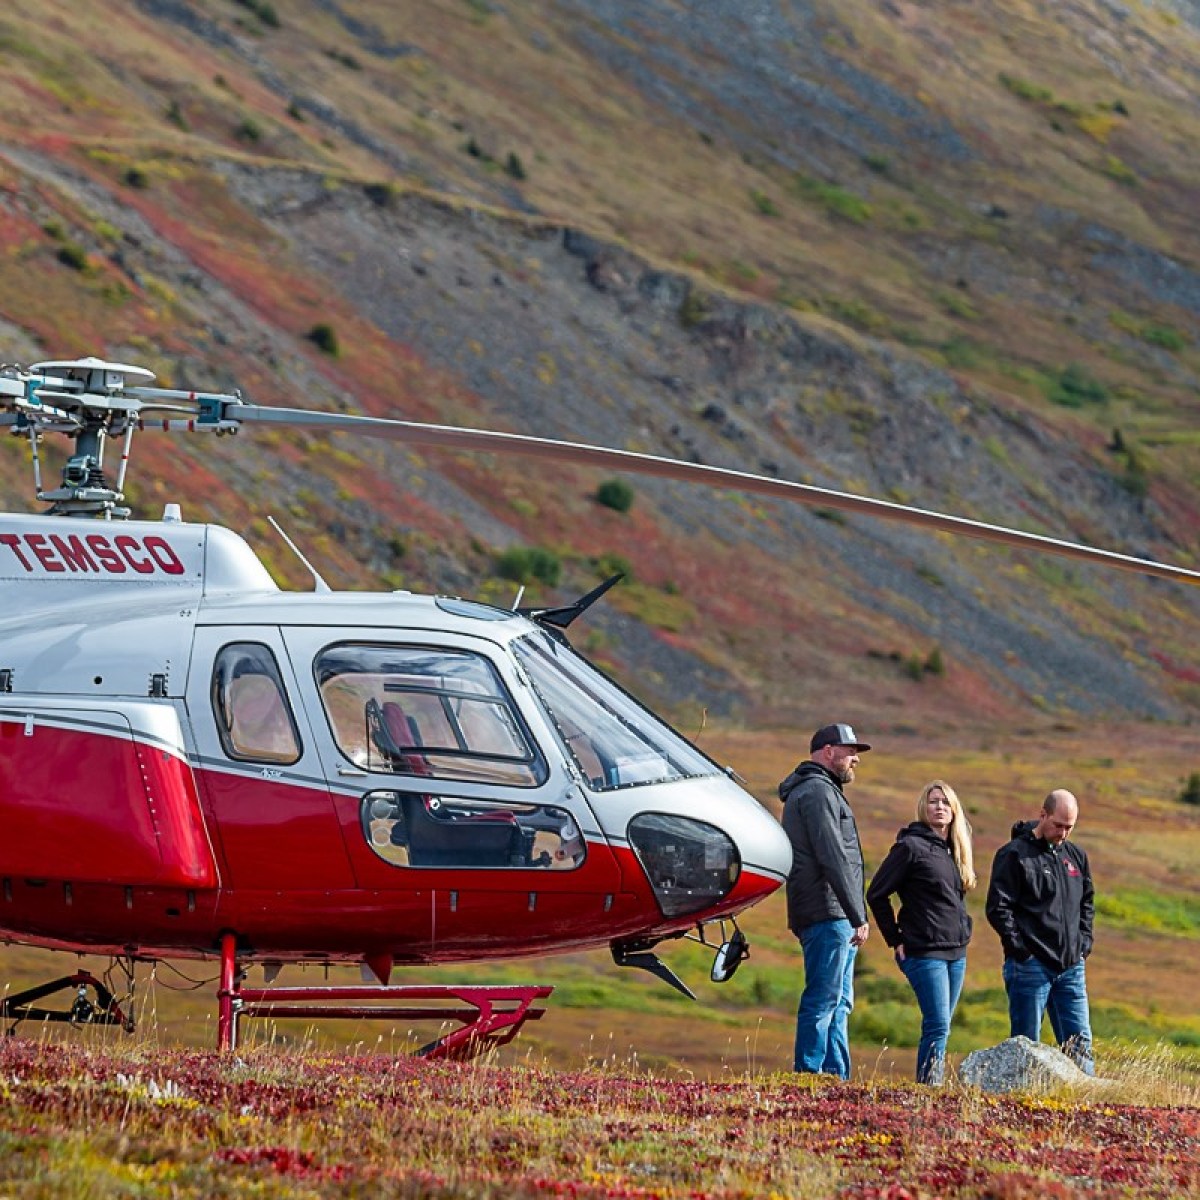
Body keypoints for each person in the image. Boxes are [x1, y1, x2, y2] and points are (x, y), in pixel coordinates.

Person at [866, 780, 976, 1084]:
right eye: (933, 801)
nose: (939, 807)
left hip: (955, 951)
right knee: (937, 1024)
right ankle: (929, 1090)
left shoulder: (954, 850)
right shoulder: (910, 847)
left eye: (945, 802)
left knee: (944, 1026)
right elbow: (876, 893)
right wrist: (895, 939)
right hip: (923, 951)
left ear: (954, 811)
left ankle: (931, 1088)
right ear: (923, 808)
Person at [779, 722, 871, 1079]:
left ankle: (835, 1079)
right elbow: (832, 855)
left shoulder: (822, 790)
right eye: (850, 751)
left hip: (833, 913)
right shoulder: (817, 792)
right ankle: (810, 1076)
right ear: (828, 752)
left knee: (839, 1002)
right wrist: (856, 913)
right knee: (824, 998)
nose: (855, 759)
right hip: (828, 912)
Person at [985, 788, 1095, 1074]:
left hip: (1071, 966)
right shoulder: (1013, 855)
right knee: (1025, 1045)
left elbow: (1087, 902)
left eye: (1069, 827)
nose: (1063, 833)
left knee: (1080, 1046)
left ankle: (1086, 1109)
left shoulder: (1076, 856)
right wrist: (1021, 950)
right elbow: (998, 908)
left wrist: (1084, 943)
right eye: (1058, 825)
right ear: (1042, 815)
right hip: (1030, 967)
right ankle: (1019, 1106)